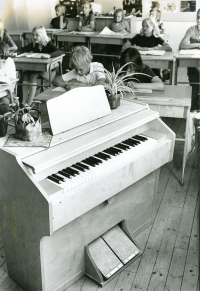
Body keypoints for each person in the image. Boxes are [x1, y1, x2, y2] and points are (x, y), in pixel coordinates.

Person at [13, 26, 63, 105]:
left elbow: (59, 52)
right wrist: (16, 52)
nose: (34, 37)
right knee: (25, 75)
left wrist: (49, 55)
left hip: (47, 70)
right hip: (36, 68)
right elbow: (23, 49)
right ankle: (23, 101)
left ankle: (30, 102)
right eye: (33, 35)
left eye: (37, 35)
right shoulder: (34, 43)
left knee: (32, 76)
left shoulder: (47, 43)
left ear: (43, 35)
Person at [179, 9, 200, 112]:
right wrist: (197, 45)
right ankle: (194, 105)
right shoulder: (192, 29)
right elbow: (182, 45)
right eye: (198, 17)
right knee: (195, 81)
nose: (199, 20)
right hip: (194, 61)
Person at [0, 41, 16, 105]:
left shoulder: (9, 62)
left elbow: (11, 87)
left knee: (3, 106)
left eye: (3, 62)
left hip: (6, 93)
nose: (1, 65)